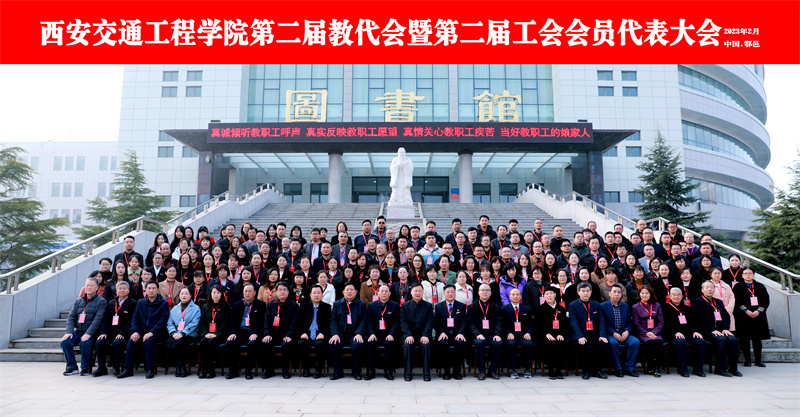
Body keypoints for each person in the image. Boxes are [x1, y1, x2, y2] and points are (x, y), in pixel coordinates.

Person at [118, 281, 169, 379]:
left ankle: (150, 369)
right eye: (149, 288)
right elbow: (135, 318)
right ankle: (128, 369)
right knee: (132, 340)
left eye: (154, 288)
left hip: (157, 333)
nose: (151, 290)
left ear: (157, 290)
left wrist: (152, 332)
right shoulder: (141, 302)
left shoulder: (163, 303)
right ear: (145, 290)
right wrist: (135, 331)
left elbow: (162, 321)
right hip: (141, 332)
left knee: (149, 341)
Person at [693, 281, 742, 377]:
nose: (709, 289)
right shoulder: (698, 301)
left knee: (733, 339)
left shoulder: (718, 302)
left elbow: (726, 315)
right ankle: (720, 368)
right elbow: (701, 317)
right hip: (705, 331)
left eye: (711, 287)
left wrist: (725, 328)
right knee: (722, 339)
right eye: (707, 287)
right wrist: (712, 329)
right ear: (702, 290)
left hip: (719, 330)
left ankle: (733, 368)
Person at [61, 275, 107, 376]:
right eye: (87, 285)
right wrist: (69, 332)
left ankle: (86, 368)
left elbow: (98, 320)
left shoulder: (101, 301)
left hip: (93, 333)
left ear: (97, 288)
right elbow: (71, 317)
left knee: (85, 342)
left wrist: (88, 334)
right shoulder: (78, 301)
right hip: (79, 332)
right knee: (65, 342)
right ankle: (72, 367)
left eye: (91, 286)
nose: (89, 287)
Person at [224, 283, 266, 379]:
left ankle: (248, 371)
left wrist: (255, 333)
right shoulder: (237, 305)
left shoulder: (260, 305)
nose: (247, 293)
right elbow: (232, 321)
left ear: (254, 293)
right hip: (239, 332)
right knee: (229, 344)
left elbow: (261, 321)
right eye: (245, 291)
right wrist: (232, 333)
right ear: (243, 293)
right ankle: (233, 371)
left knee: (252, 344)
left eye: (250, 291)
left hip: (252, 332)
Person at [93, 280, 135, 376]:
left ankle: (116, 367)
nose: (122, 290)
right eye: (120, 288)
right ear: (116, 291)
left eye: (124, 288)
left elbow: (131, 321)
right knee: (99, 342)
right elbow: (105, 319)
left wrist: (122, 333)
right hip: (111, 332)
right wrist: (103, 332)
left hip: (125, 333)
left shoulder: (133, 303)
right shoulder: (111, 303)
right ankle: (102, 368)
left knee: (117, 342)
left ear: (128, 290)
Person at [598, 284, 640, 378]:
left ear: (621, 294)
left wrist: (627, 331)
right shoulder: (603, 306)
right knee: (613, 343)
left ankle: (629, 368)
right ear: (609, 293)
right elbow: (602, 323)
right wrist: (613, 333)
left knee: (635, 342)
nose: (616, 294)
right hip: (610, 333)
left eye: (619, 292)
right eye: (614, 292)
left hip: (623, 332)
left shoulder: (626, 306)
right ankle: (618, 368)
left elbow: (630, 322)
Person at [569, 282, 609, 380]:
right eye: (583, 291)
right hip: (580, 334)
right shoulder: (573, 305)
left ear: (591, 292)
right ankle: (586, 371)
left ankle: (597, 371)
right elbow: (574, 322)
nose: (585, 293)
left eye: (587, 291)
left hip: (594, 333)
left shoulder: (596, 305)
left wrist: (602, 335)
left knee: (602, 344)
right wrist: (580, 336)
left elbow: (601, 320)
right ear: (578, 292)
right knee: (583, 346)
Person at [663, 287, 706, 377]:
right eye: (674, 295)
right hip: (673, 334)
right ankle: (683, 369)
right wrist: (675, 332)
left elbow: (694, 322)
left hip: (688, 333)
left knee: (700, 341)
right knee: (681, 341)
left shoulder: (687, 309)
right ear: (670, 296)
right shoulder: (665, 308)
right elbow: (665, 325)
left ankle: (698, 369)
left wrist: (695, 331)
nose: (676, 297)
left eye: (678, 295)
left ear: (682, 296)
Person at [329, 282, 368, 380]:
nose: (349, 292)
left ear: (356, 292)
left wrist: (359, 333)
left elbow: (364, 320)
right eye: (347, 290)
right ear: (343, 292)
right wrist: (335, 334)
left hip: (354, 334)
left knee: (358, 345)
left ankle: (356, 371)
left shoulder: (361, 304)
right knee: (333, 344)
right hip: (341, 334)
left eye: (351, 290)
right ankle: (338, 371)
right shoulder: (337, 304)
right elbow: (333, 320)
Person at [733, 267, 770, 367]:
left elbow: (766, 300)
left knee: (757, 339)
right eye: (745, 273)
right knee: (744, 339)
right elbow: (736, 300)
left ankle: (758, 360)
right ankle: (747, 359)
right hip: (744, 316)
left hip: (758, 316)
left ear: (753, 275)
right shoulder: (738, 286)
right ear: (742, 275)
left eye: (750, 273)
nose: (748, 275)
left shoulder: (760, 286)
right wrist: (746, 311)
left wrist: (758, 311)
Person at [262, 281, 299, 379]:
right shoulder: (271, 304)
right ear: (277, 292)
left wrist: (289, 335)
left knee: (287, 345)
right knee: (266, 343)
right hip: (273, 334)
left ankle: (285, 371)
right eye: (280, 290)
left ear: (288, 292)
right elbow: (267, 321)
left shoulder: (293, 305)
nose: (282, 292)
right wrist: (267, 334)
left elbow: (294, 323)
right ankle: (269, 370)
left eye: (284, 290)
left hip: (287, 334)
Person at [364, 284, 400, 380]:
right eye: (382, 291)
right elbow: (369, 322)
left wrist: (391, 334)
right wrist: (372, 333)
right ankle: (370, 371)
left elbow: (396, 322)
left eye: (386, 291)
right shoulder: (372, 306)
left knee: (390, 343)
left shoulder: (395, 305)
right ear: (378, 293)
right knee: (370, 343)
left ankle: (388, 371)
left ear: (390, 293)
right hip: (375, 334)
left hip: (389, 334)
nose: (384, 293)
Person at [468, 283, 503, 380]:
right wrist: (477, 334)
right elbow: (471, 323)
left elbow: (499, 321)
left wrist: (497, 334)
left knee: (498, 343)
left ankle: (492, 370)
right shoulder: (472, 307)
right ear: (478, 292)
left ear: (490, 293)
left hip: (491, 334)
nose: (484, 292)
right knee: (480, 343)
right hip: (478, 335)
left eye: (487, 290)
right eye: (482, 290)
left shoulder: (495, 307)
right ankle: (482, 371)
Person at [400, 284, 434, 381]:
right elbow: (403, 322)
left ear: (423, 292)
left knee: (426, 344)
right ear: (411, 292)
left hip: (423, 334)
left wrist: (426, 335)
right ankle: (408, 372)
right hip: (410, 335)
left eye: (420, 291)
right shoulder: (405, 306)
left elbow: (430, 322)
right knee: (408, 344)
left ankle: (426, 373)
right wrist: (408, 335)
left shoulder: (428, 306)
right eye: (415, 291)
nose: (417, 293)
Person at [535, 287, 570, 379]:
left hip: (559, 334)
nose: (549, 296)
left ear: (555, 295)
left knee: (562, 343)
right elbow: (538, 325)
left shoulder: (561, 308)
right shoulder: (540, 309)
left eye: (551, 293)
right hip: (545, 335)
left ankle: (558, 369)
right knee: (549, 344)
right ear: (544, 296)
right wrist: (546, 334)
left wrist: (561, 334)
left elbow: (565, 324)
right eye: (547, 294)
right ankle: (551, 369)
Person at [297, 284, 332, 379]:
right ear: (310, 295)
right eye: (314, 293)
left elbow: (328, 323)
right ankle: (306, 368)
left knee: (320, 344)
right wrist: (303, 332)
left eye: (318, 293)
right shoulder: (304, 306)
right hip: (306, 333)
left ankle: (318, 369)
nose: (316, 295)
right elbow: (300, 322)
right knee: (302, 343)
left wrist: (322, 333)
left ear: (322, 295)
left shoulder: (327, 307)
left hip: (320, 333)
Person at [434, 284, 468, 380]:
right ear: (444, 294)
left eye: (452, 292)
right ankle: (446, 371)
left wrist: (461, 333)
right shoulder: (439, 306)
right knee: (442, 343)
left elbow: (464, 321)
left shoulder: (461, 306)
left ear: (455, 293)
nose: (450, 294)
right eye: (448, 292)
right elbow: (436, 322)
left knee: (461, 343)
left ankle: (456, 371)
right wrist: (441, 332)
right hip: (444, 334)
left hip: (457, 334)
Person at [166, 287, 201, 377]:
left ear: (191, 295)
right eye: (182, 294)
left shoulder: (196, 308)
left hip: (189, 334)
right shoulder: (175, 309)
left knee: (180, 343)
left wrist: (183, 333)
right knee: (171, 342)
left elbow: (194, 324)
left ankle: (182, 366)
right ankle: (178, 365)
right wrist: (173, 333)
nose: (184, 296)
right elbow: (170, 323)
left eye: (186, 294)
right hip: (176, 334)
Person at [499, 288, 534, 379]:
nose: (515, 296)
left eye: (517, 294)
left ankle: (527, 369)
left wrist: (528, 333)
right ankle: (513, 369)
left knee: (528, 344)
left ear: (520, 296)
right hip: (511, 334)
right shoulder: (503, 309)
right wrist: (508, 333)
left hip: (523, 334)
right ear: (509, 296)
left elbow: (530, 324)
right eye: (513, 294)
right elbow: (502, 324)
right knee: (511, 344)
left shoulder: (526, 309)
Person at [631, 286, 665, 377]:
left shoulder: (657, 305)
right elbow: (636, 324)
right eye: (642, 293)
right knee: (650, 342)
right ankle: (650, 365)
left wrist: (654, 332)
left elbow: (661, 322)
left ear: (650, 294)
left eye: (647, 293)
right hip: (643, 332)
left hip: (655, 332)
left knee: (658, 341)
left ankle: (656, 367)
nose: (644, 295)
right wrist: (647, 333)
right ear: (639, 294)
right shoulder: (635, 307)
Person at [198, 285, 230, 379]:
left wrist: (216, 334)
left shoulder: (226, 307)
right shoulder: (205, 306)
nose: (216, 295)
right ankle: (203, 369)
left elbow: (225, 323)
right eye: (214, 293)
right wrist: (206, 333)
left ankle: (211, 370)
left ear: (221, 294)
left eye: (218, 293)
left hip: (220, 334)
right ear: (210, 294)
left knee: (211, 343)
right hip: (207, 334)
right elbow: (202, 323)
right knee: (203, 342)